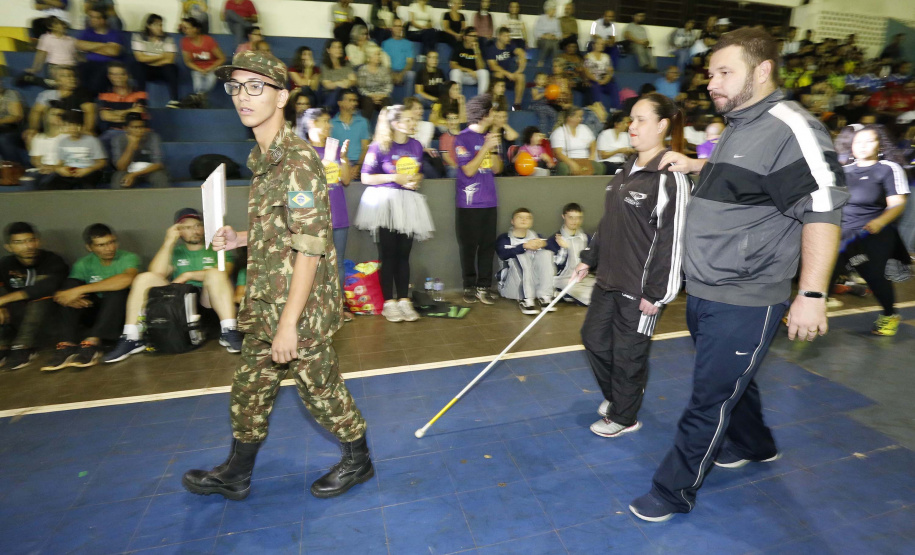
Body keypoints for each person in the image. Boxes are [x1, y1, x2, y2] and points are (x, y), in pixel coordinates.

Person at [628, 28, 850, 523]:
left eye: (725, 72)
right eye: (710, 74)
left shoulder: (792, 126)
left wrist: (812, 294)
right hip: (707, 289)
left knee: (708, 397)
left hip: (748, 295)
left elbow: (822, 210)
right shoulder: (738, 125)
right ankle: (756, 442)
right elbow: (744, 182)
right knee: (732, 380)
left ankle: (671, 492)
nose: (712, 82)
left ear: (763, 70)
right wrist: (695, 164)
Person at [183, 49, 372, 501]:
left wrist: (289, 323)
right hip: (269, 297)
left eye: (255, 86)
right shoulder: (262, 156)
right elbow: (283, 226)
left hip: (299, 307)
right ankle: (236, 472)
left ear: (282, 96)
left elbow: (310, 246)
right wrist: (241, 237)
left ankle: (358, 458)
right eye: (236, 87)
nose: (242, 97)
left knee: (320, 389)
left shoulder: (297, 160)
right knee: (250, 385)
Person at [573, 93, 690, 439]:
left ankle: (624, 416)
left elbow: (675, 240)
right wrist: (588, 257)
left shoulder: (671, 178)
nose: (632, 126)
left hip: (640, 289)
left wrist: (659, 293)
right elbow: (609, 222)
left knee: (628, 355)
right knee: (593, 339)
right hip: (609, 278)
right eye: (631, 119)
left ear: (662, 126)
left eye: (641, 119)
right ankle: (621, 396)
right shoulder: (625, 170)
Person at [104, 209, 242, 362]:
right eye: (187, 227)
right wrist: (168, 242)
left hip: (208, 301)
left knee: (215, 274)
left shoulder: (217, 247)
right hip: (180, 304)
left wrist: (187, 275)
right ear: (178, 230)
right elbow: (156, 273)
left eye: (197, 225)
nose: (194, 230)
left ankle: (229, 330)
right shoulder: (175, 252)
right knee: (144, 278)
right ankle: (131, 337)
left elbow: (225, 271)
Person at [354, 105, 434, 323]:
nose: (412, 123)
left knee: (404, 254)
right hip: (386, 205)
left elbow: (417, 173)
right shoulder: (379, 146)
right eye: (407, 120)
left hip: (408, 204)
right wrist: (394, 178)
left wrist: (417, 179)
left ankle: (404, 300)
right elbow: (365, 178)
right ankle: (389, 302)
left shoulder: (416, 145)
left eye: (413, 119)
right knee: (388, 254)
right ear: (395, 123)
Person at [832, 125, 910, 336]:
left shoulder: (888, 168)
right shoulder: (843, 171)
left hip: (873, 233)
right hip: (842, 232)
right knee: (824, 272)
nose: (863, 146)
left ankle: (889, 314)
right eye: (858, 142)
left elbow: (897, 204)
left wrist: (880, 222)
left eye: (869, 141)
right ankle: (810, 311)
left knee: (873, 275)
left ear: (879, 145)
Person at [41, 224, 139, 371]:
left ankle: (93, 342)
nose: (109, 248)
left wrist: (81, 290)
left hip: (120, 314)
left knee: (117, 290)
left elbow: (127, 279)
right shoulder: (83, 263)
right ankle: (66, 344)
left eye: (112, 242)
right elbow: (67, 293)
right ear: (89, 247)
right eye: (101, 245)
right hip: (93, 312)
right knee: (70, 286)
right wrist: (71, 294)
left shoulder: (128, 257)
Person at [298, 108, 355, 323]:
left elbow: (346, 180)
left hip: (338, 214)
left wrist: (342, 159)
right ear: (310, 125)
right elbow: (303, 185)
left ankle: (336, 307)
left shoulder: (335, 146)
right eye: (324, 121)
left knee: (337, 263)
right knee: (312, 263)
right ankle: (312, 308)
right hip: (313, 217)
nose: (329, 125)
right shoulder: (302, 151)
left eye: (329, 121)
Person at [0, 223, 68, 371]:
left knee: (40, 298)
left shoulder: (52, 260)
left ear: (38, 241)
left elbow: (45, 288)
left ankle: (22, 347)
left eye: (30, 240)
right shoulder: (5, 264)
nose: (27, 246)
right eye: (19, 242)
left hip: (49, 322)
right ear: (9, 247)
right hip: (17, 321)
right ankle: (3, 346)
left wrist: (3, 300)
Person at [454, 94, 502, 304]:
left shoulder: (490, 137)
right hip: (469, 203)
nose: (495, 115)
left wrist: (492, 148)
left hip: (490, 200)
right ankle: (469, 286)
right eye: (492, 112)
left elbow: (498, 169)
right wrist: (484, 148)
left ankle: (484, 286)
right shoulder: (462, 138)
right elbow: (469, 170)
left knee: (487, 246)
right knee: (468, 246)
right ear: (484, 114)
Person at [496, 207, 555, 314]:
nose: (524, 220)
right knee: (520, 255)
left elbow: (554, 249)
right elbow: (502, 254)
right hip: (512, 285)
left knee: (546, 253)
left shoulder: (537, 236)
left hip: (533, 286)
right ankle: (525, 300)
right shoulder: (505, 238)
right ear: (512, 221)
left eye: (528, 218)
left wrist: (544, 244)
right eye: (520, 217)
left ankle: (545, 296)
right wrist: (523, 246)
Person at [44, 109, 107, 190]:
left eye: (77, 125)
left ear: (82, 126)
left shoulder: (92, 140)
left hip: (88, 171)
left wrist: (88, 169)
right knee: (50, 186)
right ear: (65, 126)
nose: (73, 128)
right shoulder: (62, 142)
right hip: (69, 172)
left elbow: (102, 162)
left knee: (86, 186)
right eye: (69, 125)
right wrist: (60, 169)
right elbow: (60, 163)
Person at [547, 203, 593, 304]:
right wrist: (564, 249)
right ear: (564, 217)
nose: (575, 221)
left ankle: (565, 295)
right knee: (593, 299)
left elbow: (593, 259)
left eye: (578, 218)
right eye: (571, 217)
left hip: (585, 278)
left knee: (607, 290)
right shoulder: (554, 239)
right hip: (564, 279)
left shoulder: (586, 238)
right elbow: (554, 266)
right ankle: (563, 292)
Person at [132, 14, 180, 108]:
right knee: (138, 66)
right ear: (148, 26)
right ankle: (141, 100)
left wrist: (148, 59)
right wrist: (162, 56)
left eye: (161, 25)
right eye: (156, 25)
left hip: (162, 69)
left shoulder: (168, 38)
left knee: (172, 68)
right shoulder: (139, 36)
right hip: (146, 69)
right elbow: (140, 58)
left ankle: (174, 100)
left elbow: (170, 59)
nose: (159, 28)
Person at [97, 61, 148, 148]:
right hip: (113, 132)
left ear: (127, 75)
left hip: (137, 130)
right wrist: (130, 112)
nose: (117, 78)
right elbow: (105, 116)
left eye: (121, 74)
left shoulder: (139, 93)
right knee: (100, 142)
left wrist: (114, 113)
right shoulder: (104, 95)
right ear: (109, 76)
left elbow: (138, 113)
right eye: (113, 74)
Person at [110, 112, 168, 188]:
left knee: (160, 177)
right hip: (127, 171)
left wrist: (134, 174)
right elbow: (121, 167)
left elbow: (158, 164)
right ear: (126, 128)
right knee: (118, 177)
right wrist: (131, 144)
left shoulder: (153, 137)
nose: (140, 130)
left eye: (142, 127)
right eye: (135, 127)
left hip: (150, 171)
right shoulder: (118, 140)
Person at [76, 7, 123, 97]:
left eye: (95, 18)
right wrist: (104, 45)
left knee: (97, 79)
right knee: (78, 73)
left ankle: (93, 101)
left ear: (103, 20)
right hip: (88, 62)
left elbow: (114, 51)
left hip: (107, 63)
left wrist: (90, 47)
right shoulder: (87, 32)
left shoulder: (114, 34)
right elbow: (79, 45)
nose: (92, 20)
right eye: (91, 17)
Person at [180, 17, 227, 106]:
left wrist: (209, 68)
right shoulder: (185, 42)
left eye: (186, 28)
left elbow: (222, 58)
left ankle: (197, 98)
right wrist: (200, 69)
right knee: (198, 83)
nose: (184, 30)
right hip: (197, 69)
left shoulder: (208, 40)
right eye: (183, 28)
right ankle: (201, 99)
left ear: (195, 29)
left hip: (212, 68)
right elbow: (187, 61)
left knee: (210, 79)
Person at [550, 106, 605, 176]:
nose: (581, 119)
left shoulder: (584, 128)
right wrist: (572, 164)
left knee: (600, 167)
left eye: (581, 116)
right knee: (563, 168)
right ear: (569, 118)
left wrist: (591, 157)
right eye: (578, 117)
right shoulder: (559, 132)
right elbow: (558, 153)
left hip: (585, 159)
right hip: (568, 160)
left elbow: (593, 143)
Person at [330, 89, 371, 179]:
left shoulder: (363, 122)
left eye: (355, 100)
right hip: (339, 163)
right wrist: (346, 166)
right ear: (340, 103)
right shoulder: (331, 124)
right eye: (350, 100)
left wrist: (358, 166)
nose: (354, 104)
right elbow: (332, 150)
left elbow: (365, 148)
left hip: (360, 164)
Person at [486, 26, 526, 111]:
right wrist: (508, 74)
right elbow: (493, 66)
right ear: (499, 36)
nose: (508, 38)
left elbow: (521, 53)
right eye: (505, 36)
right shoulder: (491, 49)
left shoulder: (510, 45)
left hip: (508, 75)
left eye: (508, 36)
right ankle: (496, 102)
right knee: (499, 74)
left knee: (521, 76)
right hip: (496, 76)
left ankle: (516, 105)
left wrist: (519, 70)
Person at [26, 16, 77, 83]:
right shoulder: (46, 38)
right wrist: (36, 68)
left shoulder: (71, 39)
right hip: (56, 66)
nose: (61, 26)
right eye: (57, 24)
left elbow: (75, 55)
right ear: (51, 27)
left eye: (62, 24)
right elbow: (41, 54)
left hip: (71, 67)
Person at [27, 105, 64, 189]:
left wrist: (54, 168)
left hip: (60, 170)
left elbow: (67, 159)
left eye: (60, 115)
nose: (58, 117)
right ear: (46, 117)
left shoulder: (68, 137)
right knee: (28, 180)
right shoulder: (38, 138)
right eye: (54, 114)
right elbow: (35, 159)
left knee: (47, 181)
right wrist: (41, 166)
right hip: (43, 170)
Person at [382, 19, 416, 102]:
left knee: (411, 74)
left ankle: (407, 102)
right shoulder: (385, 43)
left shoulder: (408, 43)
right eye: (396, 26)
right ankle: (387, 102)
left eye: (400, 26)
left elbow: (410, 62)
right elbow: (384, 62)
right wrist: (392, 74)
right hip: (390, 71)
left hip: (403, 72)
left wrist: (401, 74)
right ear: (392, 28)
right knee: (383, 74)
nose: (398, 28)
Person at [450, 27, 489, 97]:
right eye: (472, 36)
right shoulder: (459, 46)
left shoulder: (479, 47)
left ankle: (482, 101)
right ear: (465, 37)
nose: (475, 38)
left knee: (484, 72)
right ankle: (456, 99)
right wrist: (468, 70)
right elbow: (453, 65)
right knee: (455, 72)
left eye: (476, 36)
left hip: (474, 77)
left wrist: (476, 51)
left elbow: (481, 67)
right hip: (463, 75)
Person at [357, 46, 393, 121]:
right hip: (367, 96)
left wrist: (381, 95)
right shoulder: (362, 70)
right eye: (376, 54)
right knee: (368, 102)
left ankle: (386, 129)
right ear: (369, 57)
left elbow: (389, 86)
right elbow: (361, 87)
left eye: (379, 55)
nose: (379, 57)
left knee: (386, 103)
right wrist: (371, 95)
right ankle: (365, 128)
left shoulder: (384, 70)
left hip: (382, 96)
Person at [320, 39, 357, 111]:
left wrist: (348, 83)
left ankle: (328, 108)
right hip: (331, 92)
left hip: (346, 91)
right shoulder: (325, 66)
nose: (338, 49)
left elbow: (353, 80)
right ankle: (328, 108)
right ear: (328, 50)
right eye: (335, 47)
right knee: (339, 90)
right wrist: (339, 83)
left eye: (340, 47)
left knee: (348, 92)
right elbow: (327, 84)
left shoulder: (347, 64)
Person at [584, 37, 616, 109]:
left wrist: (606, 80)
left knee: (613, 86)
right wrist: (597, 80)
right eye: (598, 44)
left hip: (604, 79)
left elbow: (610, 71)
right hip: (593, 79)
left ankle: (615, 109)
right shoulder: (588, 56)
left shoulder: (606, 57)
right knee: (595, 86)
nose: (600, 46)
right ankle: (599, 108)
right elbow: (586, 71)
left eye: (602, 44)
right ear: (594, 45)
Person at [0, 82, 25, 166]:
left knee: (3, 140)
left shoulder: (10, 94)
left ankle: (15, 167)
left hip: (11, 129)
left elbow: (17, 116)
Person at [533, 1, 561, 69]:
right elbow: (536, 33)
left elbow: (559, 34)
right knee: (549, 43)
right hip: (541, 40)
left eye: (555, 9)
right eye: (553, 9)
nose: (554, 11)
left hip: (552, 40)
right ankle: (542, 61)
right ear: (548, 9)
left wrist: (554, 36)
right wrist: (545, 36)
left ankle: (554, 63)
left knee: (554, 44)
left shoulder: (556, 21)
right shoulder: (541, 18)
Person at [438, 110, 461, 178]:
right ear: (447, 121)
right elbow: (446, 157)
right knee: (454, 172)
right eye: (450, 119)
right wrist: (457, 167)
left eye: (455, 118)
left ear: (459, 120)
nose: (452, 121)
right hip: (450, 166)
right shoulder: (444, 137)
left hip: (464, 165)